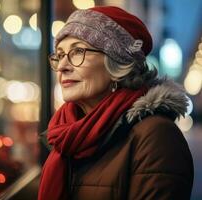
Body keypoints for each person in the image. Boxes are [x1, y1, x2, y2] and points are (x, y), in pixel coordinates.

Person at [38, 6, 194, 200]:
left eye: (78, 51)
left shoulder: (157, 137)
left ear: (116, 63)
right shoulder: (63, 133)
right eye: (59, 55)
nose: (62, 66)